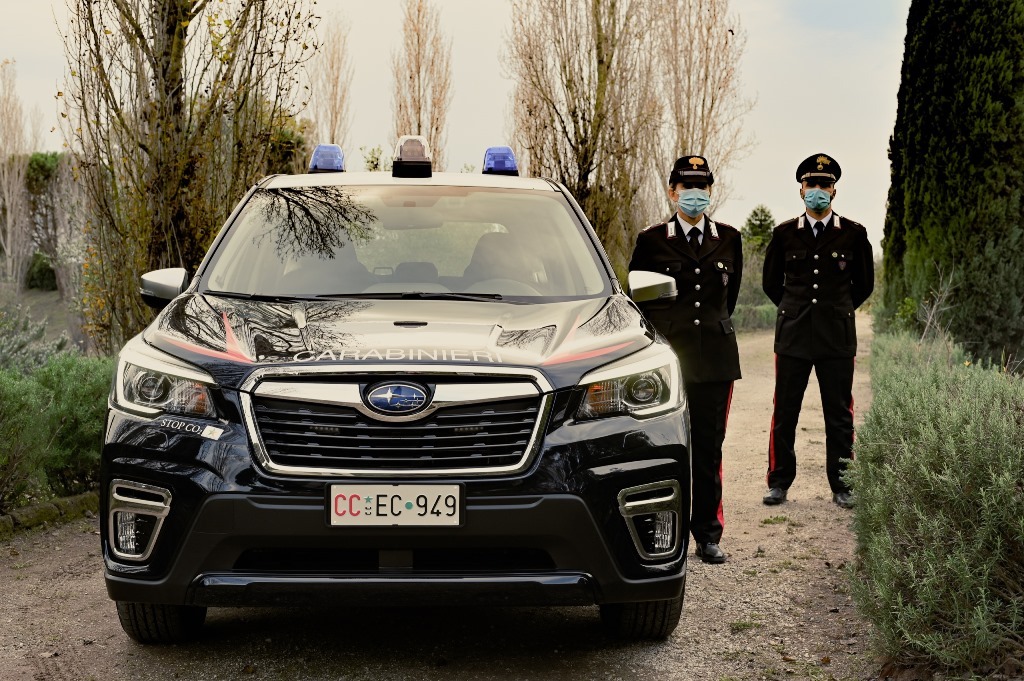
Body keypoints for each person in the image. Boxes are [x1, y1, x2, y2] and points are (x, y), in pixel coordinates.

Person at [628, 155, 742, 564]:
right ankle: (662, 532)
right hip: (669, 362)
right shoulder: (653, 241)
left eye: (702, 186)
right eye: (687, 186)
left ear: (710, 192)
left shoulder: (730, 238)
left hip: (715, 360)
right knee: (665, 448)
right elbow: (638, 301)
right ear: (672, 192)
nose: (695, 194)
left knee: (709, 449)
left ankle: (708, 535)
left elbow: (727, 300)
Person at [761, 153, 874, 509]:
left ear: (834, 191)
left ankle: (843, 484)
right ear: (801, 190)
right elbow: (770, 283)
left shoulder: (854, 234)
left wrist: (837, 311)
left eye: (825, 185)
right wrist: (794, 310)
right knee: (785, 412)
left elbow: (865, 285)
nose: (818, 191)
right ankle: (779, 482)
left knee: (839, 414)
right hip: (793, 336)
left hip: (836, 337)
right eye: (812, 185)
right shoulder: (783, 234)